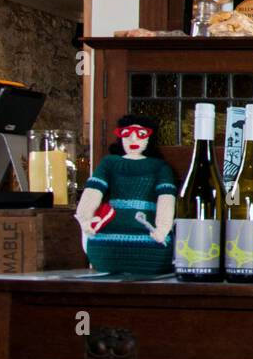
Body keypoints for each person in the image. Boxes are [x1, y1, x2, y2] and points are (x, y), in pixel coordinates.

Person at [75, 113, 178, 275]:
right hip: (108, 242)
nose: (133, 139)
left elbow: (166, 198)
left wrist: (163, 228)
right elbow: (93, 191)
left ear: (149, 138)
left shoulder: (160, 167)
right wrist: (84, 217)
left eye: (141, 134)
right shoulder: (109, 163)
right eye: (126, 134)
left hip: (149, 239)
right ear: (120, 136)